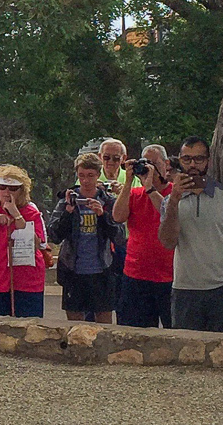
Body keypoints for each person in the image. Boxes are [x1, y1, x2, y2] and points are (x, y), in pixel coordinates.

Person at [158, 136, 223, 333]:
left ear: (208, 161)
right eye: (187, 159)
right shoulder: (170, 201)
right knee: (186, 356)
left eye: (199, 159)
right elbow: (167, 242)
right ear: (180, 161)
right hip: (185, 290)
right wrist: (175, 200)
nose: (193, 165)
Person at [47, 152, 119, 324]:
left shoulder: (107, 200)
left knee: (103, 319)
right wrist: (68, 213)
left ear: (98, 175)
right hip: (73, 269)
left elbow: (119, 235)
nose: (86, 181)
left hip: (101, 268)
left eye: (90, 176)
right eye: (82, 176)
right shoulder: (67, 200)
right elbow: (54, 235)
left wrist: (102, 216)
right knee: (74, 321)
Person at [0, 165, 48, 318]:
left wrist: (16, 215)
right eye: (2, 187)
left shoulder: (31, 212)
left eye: (12, 188)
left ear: (21, 191)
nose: (6, 192)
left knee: (29, 326)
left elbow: (37, 244)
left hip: (27, 281)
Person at [113, 146, 175, 328]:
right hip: (137, 275)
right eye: (145, 164)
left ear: (166, 165)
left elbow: (167, 213)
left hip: (170, 277)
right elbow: (118, 216)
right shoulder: (134, 194)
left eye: (153, 164)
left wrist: (150, 188)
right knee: (136, 335)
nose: (149, 169)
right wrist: (129, 182)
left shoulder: (175, 194)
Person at [98, 138, 128, 308]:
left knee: (124, 291)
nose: (110, 162)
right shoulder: (91, 175)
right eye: (106, 157)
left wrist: (124, 191)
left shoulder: (131, 178)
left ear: (123, 159)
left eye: (116, 159)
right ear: (100, 157)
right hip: (100, 241)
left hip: (125, 240)